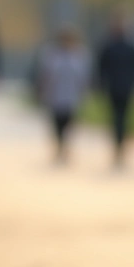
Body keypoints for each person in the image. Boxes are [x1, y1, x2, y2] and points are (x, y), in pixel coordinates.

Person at [96, 15, 134, 167]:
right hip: (124, 88)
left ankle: (119, 146)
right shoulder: (129, 47)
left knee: (117, 118)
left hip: (117, 87)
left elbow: (101, 69)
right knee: (122, 118)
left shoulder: (110, 47)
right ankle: (120, 145)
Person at [37, 27, 92, 165]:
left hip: (72, 96)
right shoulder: (51, 54)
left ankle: (66, 146)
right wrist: (42, 90)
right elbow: (45, 74)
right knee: (56, 123)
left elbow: (84, 76)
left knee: (70, 123)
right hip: (55, 95)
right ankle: (59, 146)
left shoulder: (80, 55)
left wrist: (85, 91)